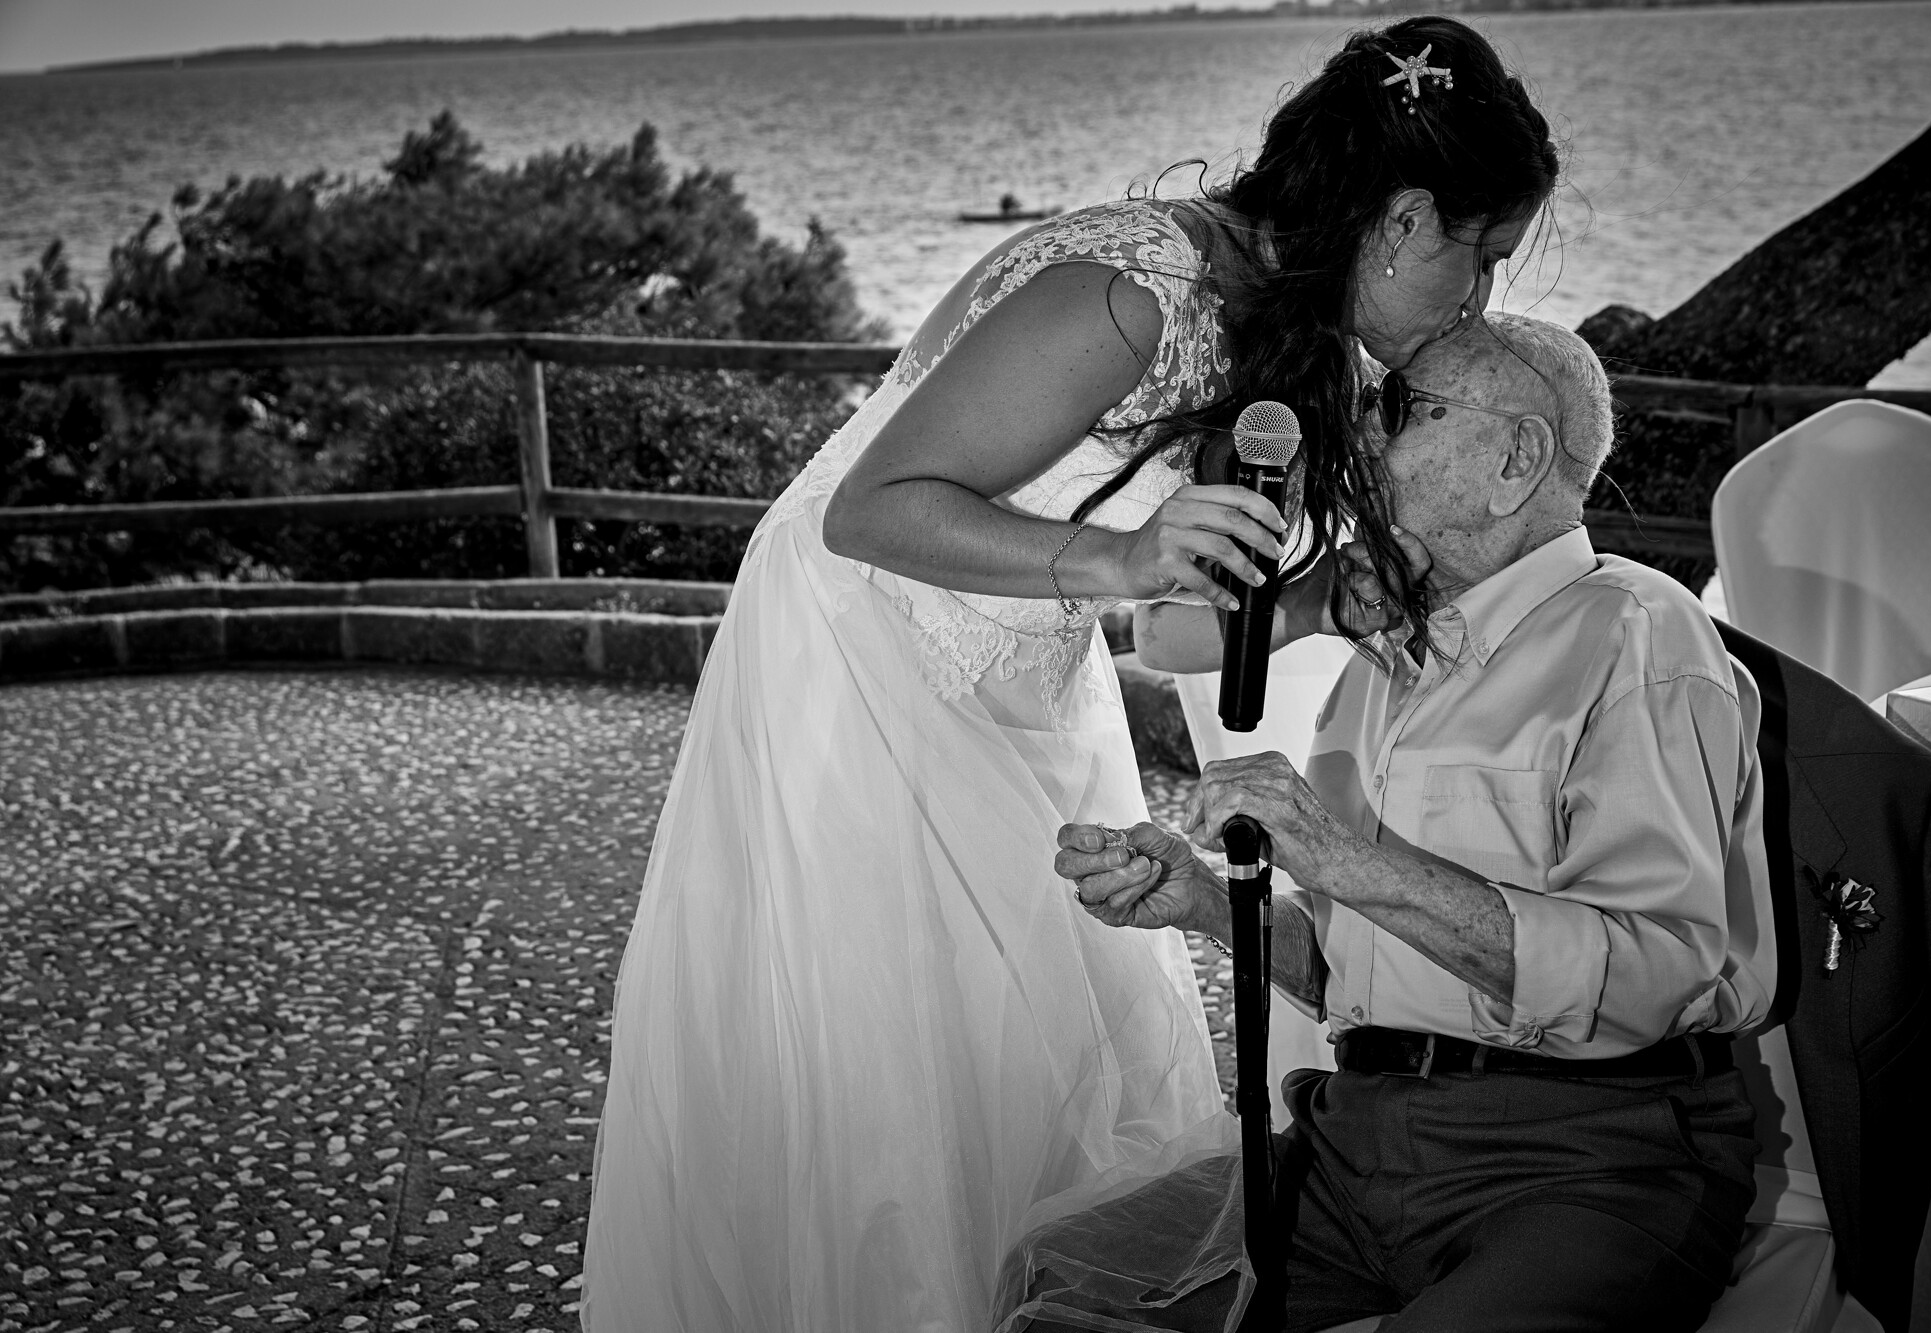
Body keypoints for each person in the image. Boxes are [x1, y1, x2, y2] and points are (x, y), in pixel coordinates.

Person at [582, 18, 1559, 1332]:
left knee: (1039, 1038)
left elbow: (1170, 629)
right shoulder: (1132, 296)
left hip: (1027, 660)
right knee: (895, 1075)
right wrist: (1123, 555)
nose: (1480, 299)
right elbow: (869, 509)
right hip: (862, 651)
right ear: (1400, 219)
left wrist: (1321, 592)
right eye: (1480, 256)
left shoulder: (1286, 327)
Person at [1014, 314, 1777, 1333]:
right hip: (1356, 1143)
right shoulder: (1384, 654)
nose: (1360, 443)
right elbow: (1360, 972)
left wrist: (1338, 856)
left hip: (1591, 1156)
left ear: (1515, 456)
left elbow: (1649, 977)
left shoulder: (1634, 639)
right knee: (1056, 1278)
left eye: (1398, 412)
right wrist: (1198, 899)